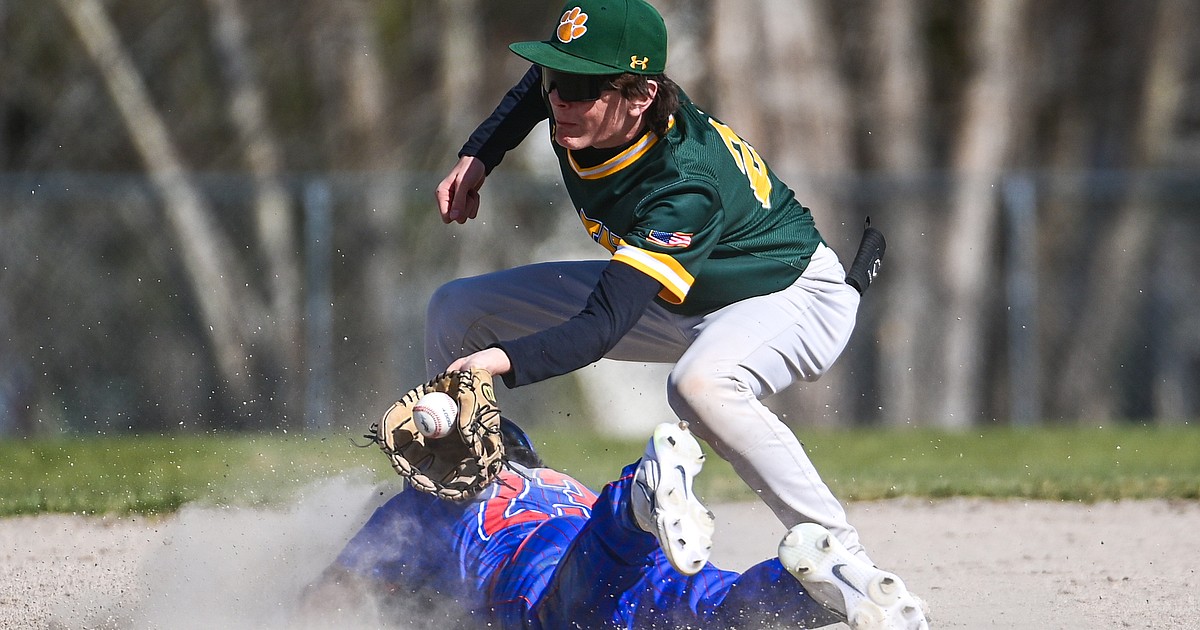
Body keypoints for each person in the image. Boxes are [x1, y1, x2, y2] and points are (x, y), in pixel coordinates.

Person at [429, 1, 927, 627]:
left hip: (788, 298)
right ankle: (472, 493)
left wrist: (501, 362)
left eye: (580, 87)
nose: (560, 100)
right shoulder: (589, 111)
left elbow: (601, 327)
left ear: (639, 96)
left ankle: (839, 554)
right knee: (458, 309)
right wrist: (480, 154)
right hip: (681, 294)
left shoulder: (679, 184)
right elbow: (536, 88)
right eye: (557, 79)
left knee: (698, 384)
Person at [302, 419, 924, 629]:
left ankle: (635, 498)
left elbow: (324, 603)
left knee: (561, 613)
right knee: (705, 607)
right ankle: (817, 592)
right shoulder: (553, 485)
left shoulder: (423, 507)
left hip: (539, 574)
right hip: (615, 553)